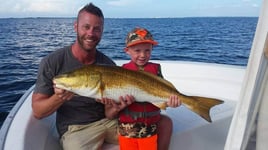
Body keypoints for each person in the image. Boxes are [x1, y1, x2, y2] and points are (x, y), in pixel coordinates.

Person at [32, 3, 134, 150]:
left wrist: (117, 106)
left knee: (159, 126)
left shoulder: (108, 64)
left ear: (102, 31)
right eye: (86, 27)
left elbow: (110, 111)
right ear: (75, 26)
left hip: (109, 123)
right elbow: (38, 111)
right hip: (76, 130)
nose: (91, 33)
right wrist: (59, 97)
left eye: (96, 29)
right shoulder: (52, 62)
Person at [117, 27, 181, 150]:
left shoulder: (156, 70)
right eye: (137, 50)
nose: (143, 55)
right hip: (126, 127)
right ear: (127, 51)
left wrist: (171, 102)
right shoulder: (122, 72)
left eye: (147, 50)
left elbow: (163, 94)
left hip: (150, 127)